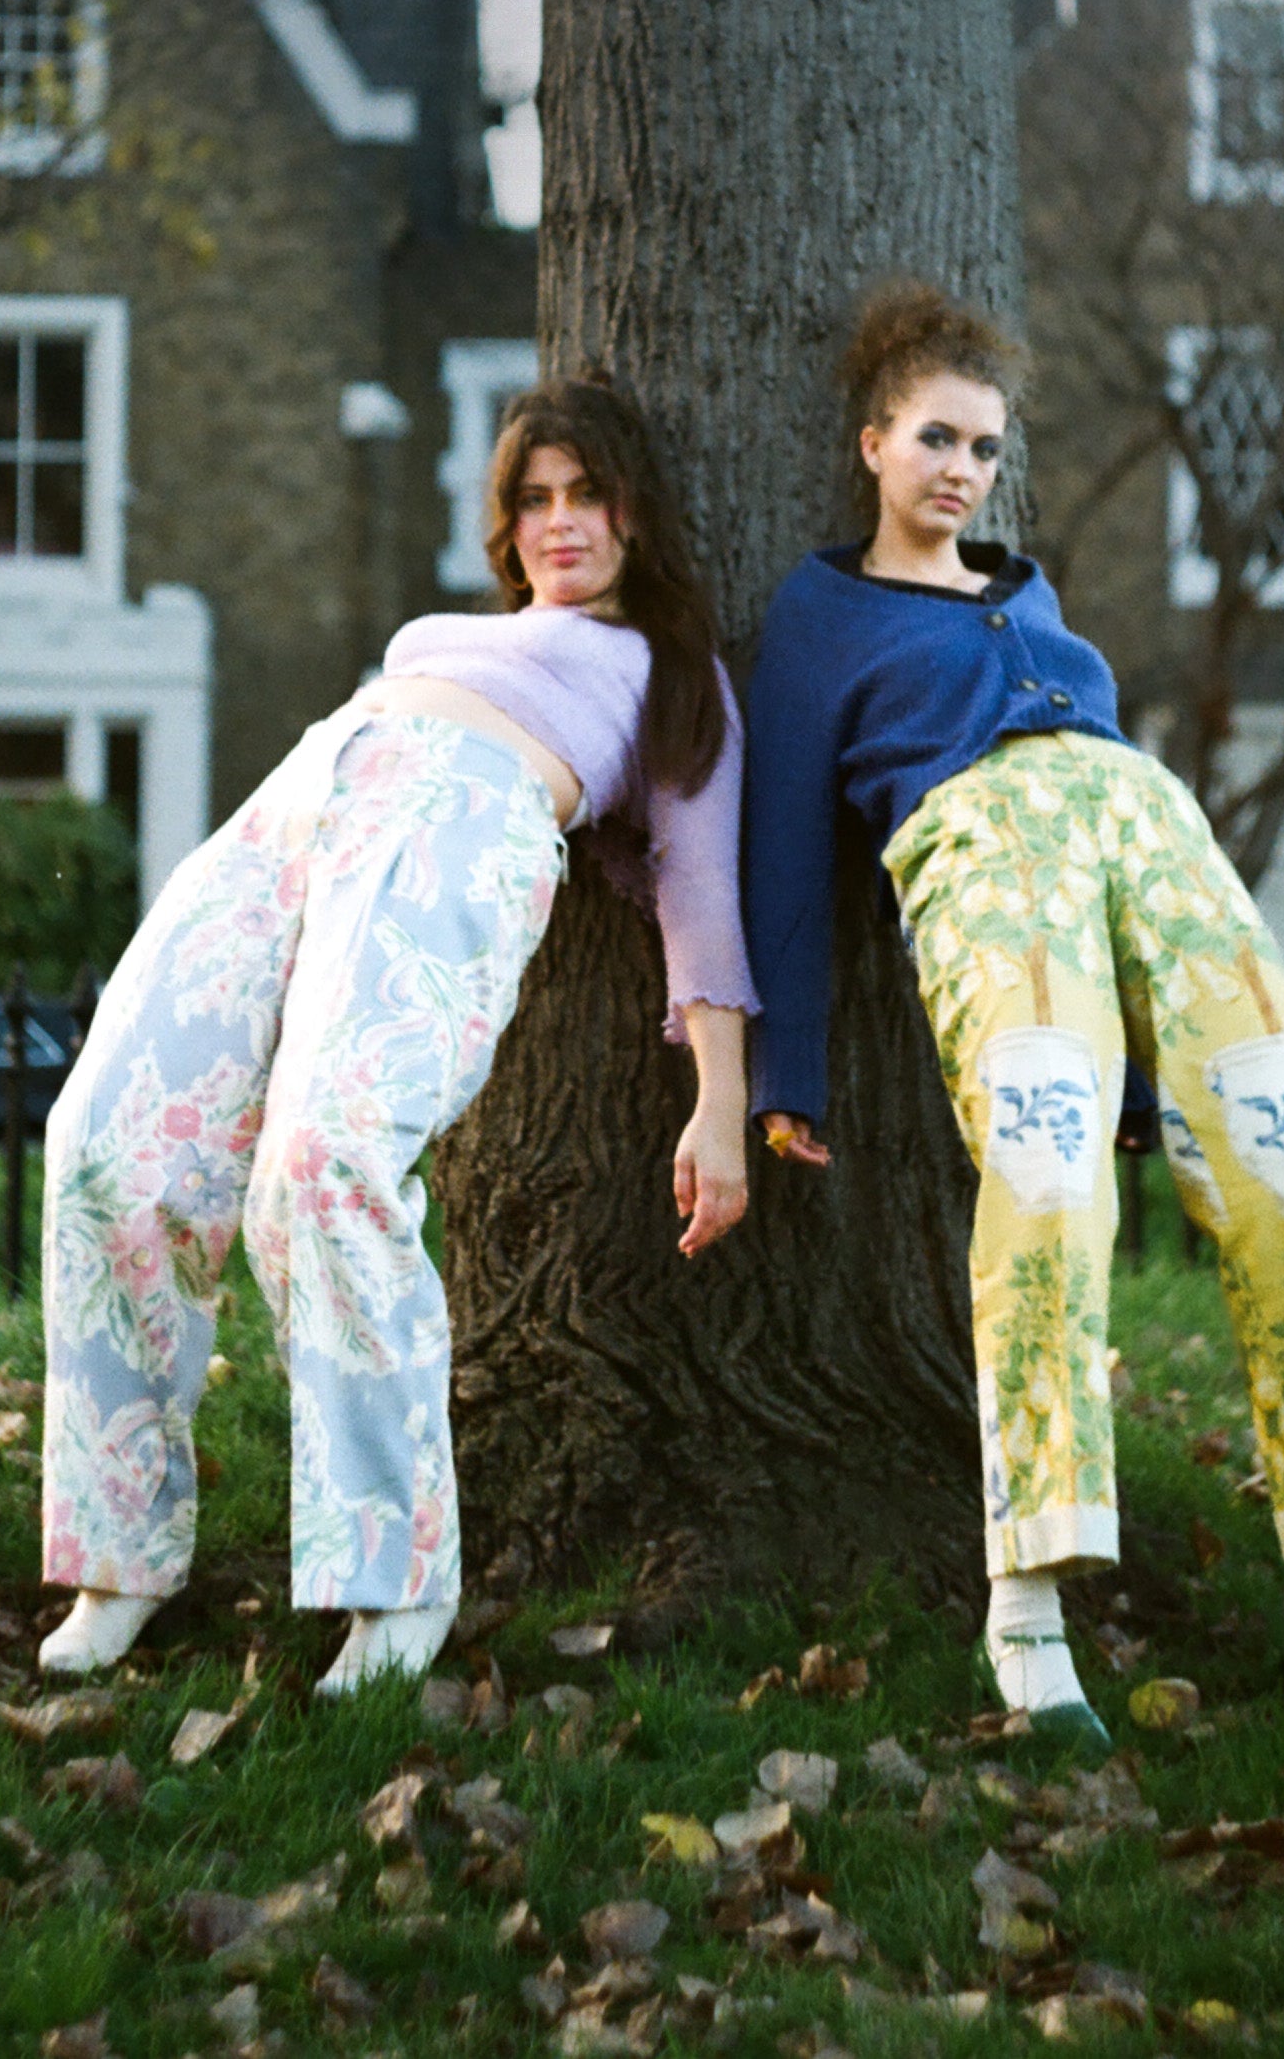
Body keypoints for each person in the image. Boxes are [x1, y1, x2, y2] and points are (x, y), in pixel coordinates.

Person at [38, 377, 759, 1689]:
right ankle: (118, 1549)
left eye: (587, 494)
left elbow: (702, 894)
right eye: (534, 499)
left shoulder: (674, 675)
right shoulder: (462, 635)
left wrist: (722, 1102)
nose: (560, 523)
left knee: (325, 1162)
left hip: (463, 828)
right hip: (319, 782)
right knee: (102, 1136)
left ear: (636, 511)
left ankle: (394, 1576)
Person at [741, 281, 1284, 1746]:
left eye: (981, 445)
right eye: (934, 437)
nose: (960, 468)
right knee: (1044, 1187)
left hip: (1151, 832)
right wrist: (791, 1064)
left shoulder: (1028, 592)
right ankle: (1026, 1597)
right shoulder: (819, 611)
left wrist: (1150, 1074)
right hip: (983, 852)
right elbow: (782, 845)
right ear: (874, 443)